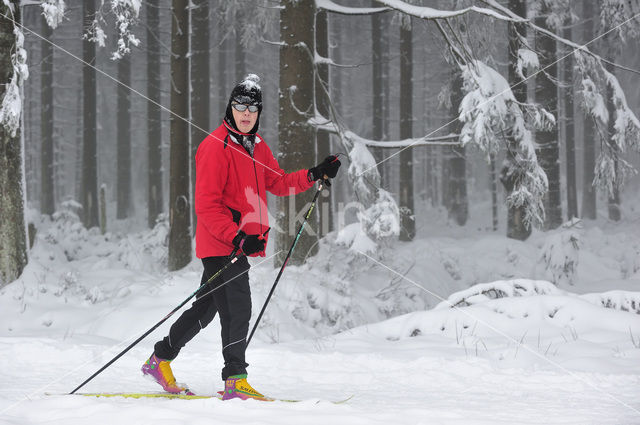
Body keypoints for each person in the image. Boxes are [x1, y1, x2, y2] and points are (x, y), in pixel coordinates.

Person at [141, 74, 341, 400]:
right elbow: (207, 205)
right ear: (230, 108)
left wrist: (315, 174)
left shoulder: (257, 147)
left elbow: (278, 182)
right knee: (238, 306)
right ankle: (235, 378)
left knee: (206, 310)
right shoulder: (214, 146)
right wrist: (236, 237)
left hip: (237, 243)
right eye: (240, 106)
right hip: (221, 243)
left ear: (259, 113)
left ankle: (159, 359)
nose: (246, 114)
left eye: (252, 108)